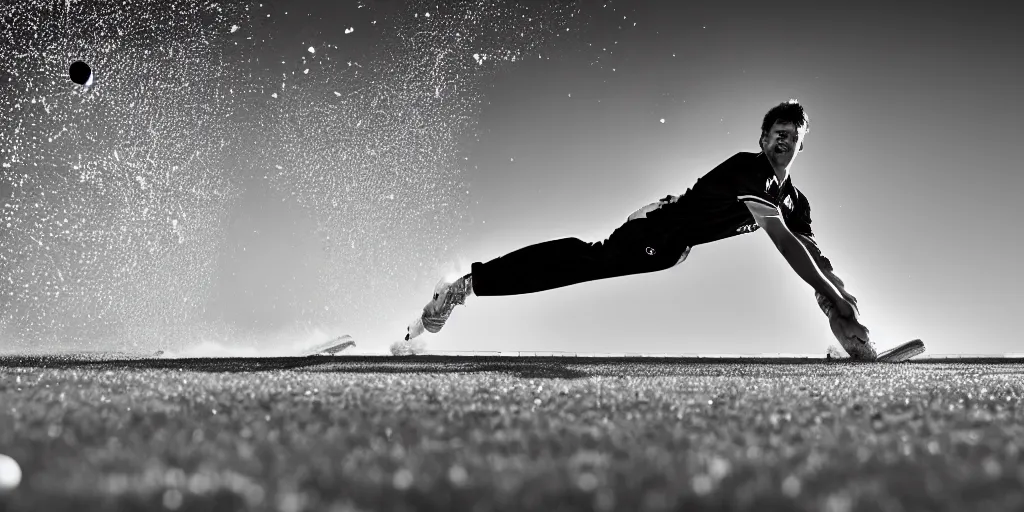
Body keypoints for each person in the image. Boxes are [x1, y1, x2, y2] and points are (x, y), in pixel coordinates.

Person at [406, 100, 878, 359]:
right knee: (585, 261)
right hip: (660, 230)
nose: (785, 142)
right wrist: (833, 297)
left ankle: (469, 284)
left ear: (802, 146)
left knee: (588, 261)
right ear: (762, 139)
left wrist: (840, 305)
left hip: (675, 247)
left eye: (794, 139)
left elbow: (814, 254)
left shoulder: (795, 200)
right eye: (778, 133)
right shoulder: (749, 171)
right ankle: (468, 284)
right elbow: (786, 245)